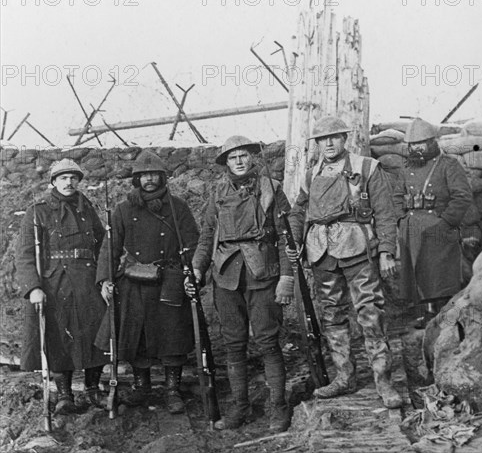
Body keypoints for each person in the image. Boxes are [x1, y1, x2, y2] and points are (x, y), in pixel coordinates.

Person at [286, 116, 403, 409]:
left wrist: (387, 251)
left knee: (370, 312)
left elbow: (386, 213)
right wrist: (295, 242)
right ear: (316, 144)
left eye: (334, 137)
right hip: (321, 251)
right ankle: (344, 376)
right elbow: (298, 212)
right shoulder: (311, 175)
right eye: (323, 139)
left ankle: (383, 380)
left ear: (344, 139)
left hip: (357, 247)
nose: (328, 143)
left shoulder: (367, 168)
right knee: (332, 315)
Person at [191, 136, 294, 432]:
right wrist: (198, 268)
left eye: (243, 156)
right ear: (226, 163)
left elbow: (286, 236)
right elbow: (207, 235)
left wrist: (286, 277)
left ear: (252, 159)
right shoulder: (217, 192)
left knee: (268, 342)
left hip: (262, 273)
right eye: (232, 157)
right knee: (233, 345)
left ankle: (279, 407)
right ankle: (240, 407)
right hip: (225, 276)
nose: (238, 161)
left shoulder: (271, 189)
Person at [95, 150, 199, 414]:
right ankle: (142, 387)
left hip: (169, 280)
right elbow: (111, 247)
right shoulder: (123, 210)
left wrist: (192, 274)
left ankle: (172, 390)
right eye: (143, 175)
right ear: (136, 179)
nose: (149, 179)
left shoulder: (178, 208)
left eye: (154, 174)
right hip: (134, 281)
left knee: (172, 336)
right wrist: (106, 280)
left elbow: (193, 244)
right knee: (137, 336)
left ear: (162, 177)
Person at [16, 159, 106, 413]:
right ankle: (64, 395)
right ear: (53, 182)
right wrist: (33, 287)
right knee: (58, 336)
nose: (69, 182)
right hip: (55, 283)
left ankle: (92, 390)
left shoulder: (87, 208)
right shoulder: (39, 211)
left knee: (94, 332)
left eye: (74, 178)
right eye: (63, 178)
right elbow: (24, 254)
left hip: (88, 280)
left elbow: (102, 244)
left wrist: (105, 277)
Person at [393, 117, 472, 328]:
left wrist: (445, 222)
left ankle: (446, 317)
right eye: (412, 145)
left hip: (439, 229)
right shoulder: (406, 169)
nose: (416, 148)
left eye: (420, 143)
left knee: (440, 276)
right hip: (411, 229)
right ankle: (426, 314)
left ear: (432, 142)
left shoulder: (449, 165)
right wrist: (401, 219)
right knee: (417, 274)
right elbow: (397, 197)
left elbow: (462, 197)